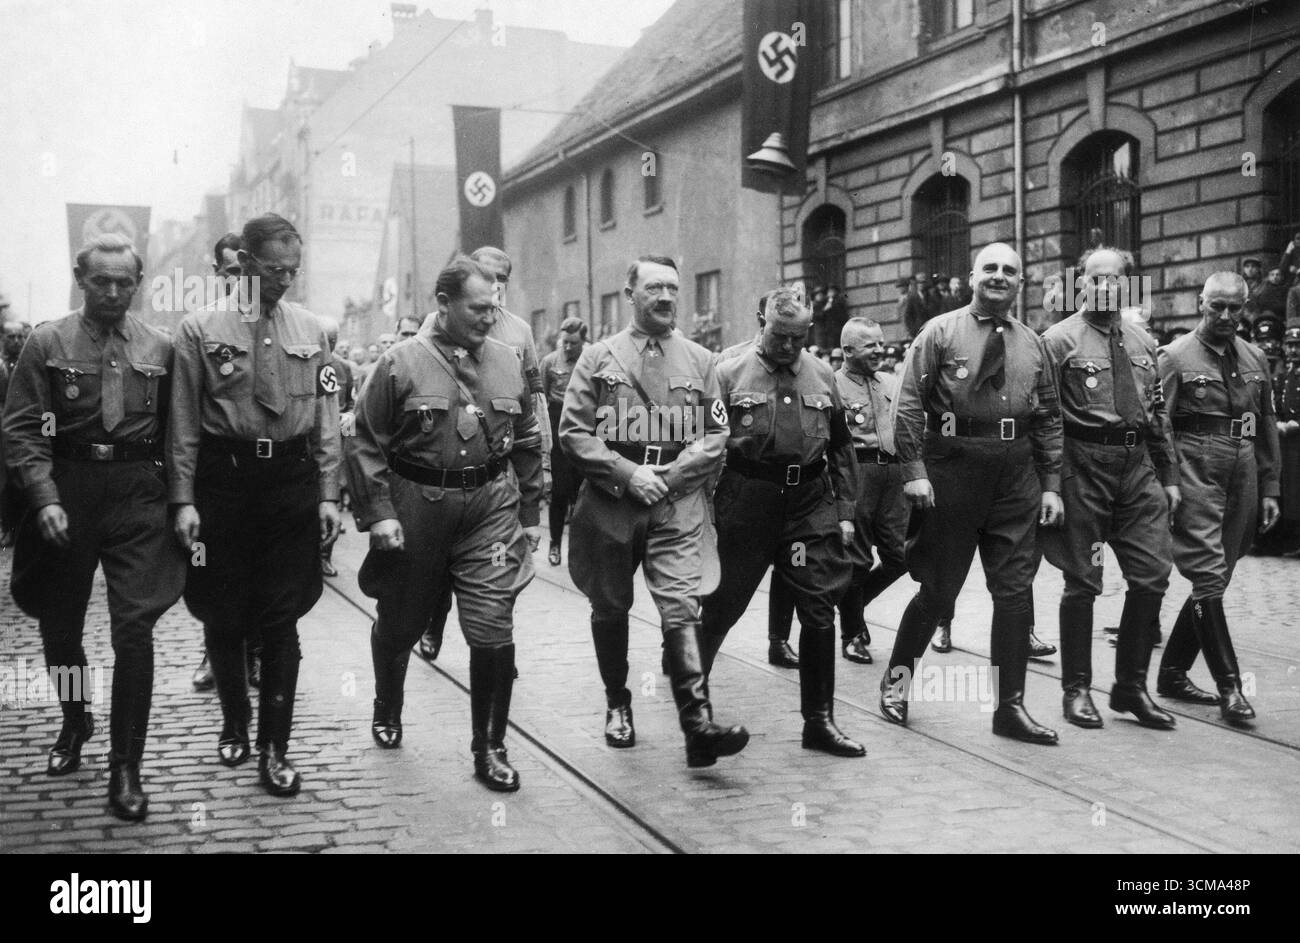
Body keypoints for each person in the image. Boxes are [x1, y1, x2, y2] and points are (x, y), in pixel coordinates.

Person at [2, 233, 186, 820]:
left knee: (135, 629)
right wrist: (44, 496)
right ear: (81, 279)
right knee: (61, 625)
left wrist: (180, 501)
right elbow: (24, 428)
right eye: (100, 280)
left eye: (123, 281)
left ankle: (126, 764)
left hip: (137, 494)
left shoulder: (162, 347)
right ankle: (75, 718)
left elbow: (179, 434)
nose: (112, 291)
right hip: (69, 489)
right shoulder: (46, 342)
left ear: (138, 283)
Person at [349, 257, 542, 791]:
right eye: (478, 308)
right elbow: (366, 440)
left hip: (489, 508)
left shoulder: (509, 362)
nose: (489, 317)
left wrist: (531, 514)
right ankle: (388, 702)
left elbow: (527, 440)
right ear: (444, 303)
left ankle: (490, 747)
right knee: (403, 620)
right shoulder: (398, 363)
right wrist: (379, 514)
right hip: (417, 507)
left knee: (492, 623)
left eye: (494, 307)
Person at [169, 213, 342, 797]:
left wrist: (328, 493)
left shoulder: (312, 330)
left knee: (281, 619)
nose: (286, 279)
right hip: (226, 483)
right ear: (244, 264)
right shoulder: (198, 330)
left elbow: (325, 420)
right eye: (275, 269)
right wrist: (183, 499)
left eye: (294, 269)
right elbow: (185, 424)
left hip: (288, 485)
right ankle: (234, 722)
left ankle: (275, 748)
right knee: (223, 612)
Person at [559, 254, 749, 766]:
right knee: (610, 604)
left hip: (676, 501)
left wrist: (670, 477)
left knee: (682, 606)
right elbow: (573, 432)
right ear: (630, 294)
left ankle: (698, 726)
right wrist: (627, 474)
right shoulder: (599, 358)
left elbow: (715, 434)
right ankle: (618, 703)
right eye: (653, 289)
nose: (665, 298)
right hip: (612, 502)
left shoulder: (701, 360)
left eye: (672, 288)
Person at [880, 242, 1064, 745]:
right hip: (952, 471)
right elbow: (910, 404)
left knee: (1014, 592)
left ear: (1020, 281)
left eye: (1010, 270)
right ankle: (896, 686)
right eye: (990, 268)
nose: (999, 276)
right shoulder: (939, 332)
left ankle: (1010, 708)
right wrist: (914, 469)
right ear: (971, 276)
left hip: (1015, 477)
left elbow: (1048, 418)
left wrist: (1051, 485)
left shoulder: (1035, 343)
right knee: (938, 591)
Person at [699, 287, 866, 758]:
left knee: (818, 607)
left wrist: (846, 512)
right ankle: (695, 711)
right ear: (761, 321)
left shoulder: (822, 374)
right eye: (780, 335)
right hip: (749, 500)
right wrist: (702, 516)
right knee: (722, 606)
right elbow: (704, 448)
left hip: (809, 502)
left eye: (799, 337)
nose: (790, 347)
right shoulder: (728, 373)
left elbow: (841, 447)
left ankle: (819, 722)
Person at [1038, 247, 1181, 730]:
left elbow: (1157, 413)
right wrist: (1051, 484)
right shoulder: (1058, 341)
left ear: (1127, 284)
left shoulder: (1142, 341)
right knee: (1083, 579)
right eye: (1093, 278)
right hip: (1085, 466)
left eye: (1113, 279)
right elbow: (1046, 420)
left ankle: (1131, 688)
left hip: (1136, 467)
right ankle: (1077, 689)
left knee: (1153, 573)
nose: (1103, 286)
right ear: (1081, 283)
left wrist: (1170, 477)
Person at [412, 245, 549, 663]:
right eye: (485, 275)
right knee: (442, 567)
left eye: (501, 279)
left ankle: (496, 645)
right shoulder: (437, 324)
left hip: (497, 470)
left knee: (497, 565)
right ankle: (433, 622)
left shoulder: (519, 331)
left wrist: (541, 468)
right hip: (448, 463)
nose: (494, 286)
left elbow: (533, 397)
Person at [1156, 273, 1281, 723]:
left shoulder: (1255, 356)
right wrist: (1168, 481)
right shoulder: (1173, 357)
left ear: (1244, 307)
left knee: (1220, 575)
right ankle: (1231, 689)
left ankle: (1171, 673)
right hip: (1195, 470)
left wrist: (1270, 486)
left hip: (1242, 469)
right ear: (1200, 303)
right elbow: (1160, 427)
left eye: (1234, 308)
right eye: (1217, 307)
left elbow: (1264, 424)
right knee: (1208, 576)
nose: (1226, 316)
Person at [189, 233, 262, 692]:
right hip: (219, 470)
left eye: (247, 270)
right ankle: (213, 653)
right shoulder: (203, 329)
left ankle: (251, 656)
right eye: (232, 271)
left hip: (270, 471)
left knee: (261, 570)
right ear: (219, 274)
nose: (243, 279)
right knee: (214, 569)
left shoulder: (280, 323)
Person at [834, 317, 908, 666]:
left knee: (900, 556)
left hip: (893, 473)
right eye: (870, 346)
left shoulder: (892, 382)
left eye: (881, 344)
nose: (880, 351)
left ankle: (854, 605)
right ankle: (851, 634)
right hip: (856, 472)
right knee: (857, 560)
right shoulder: (832, 386)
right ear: (848, 350)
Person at [539, 317, 586, 565]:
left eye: (573, 343)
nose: (567, 347)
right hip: (557, 423)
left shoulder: (592, 360)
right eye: (565, 342)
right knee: (559, 492)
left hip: (585, 424)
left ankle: (579, 550)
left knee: (582, 493)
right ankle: (555, 544)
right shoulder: (549, 362)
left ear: (583, 342)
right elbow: (541, 401)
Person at [319, 314, 353, 578]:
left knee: (332, 498)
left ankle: (325, 556)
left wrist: (347, 427)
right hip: (310, 441)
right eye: (324, 339)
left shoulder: (343, 368)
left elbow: (351, 406)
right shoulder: (305, 362)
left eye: (333, 340)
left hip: (336, 440)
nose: (328, 345)